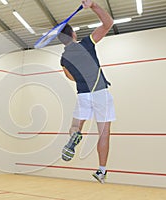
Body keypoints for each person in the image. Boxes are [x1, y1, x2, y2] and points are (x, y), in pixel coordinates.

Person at [59, 0, 115, 184]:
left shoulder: (64, 60)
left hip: (83, 94)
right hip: (99, 92)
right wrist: (94, 6)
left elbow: (70, 77)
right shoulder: (86, 44)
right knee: (104, 133)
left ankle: (74, 135)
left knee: (75, 125)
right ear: (73, 34)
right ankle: (101, 170)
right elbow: (108, 24)